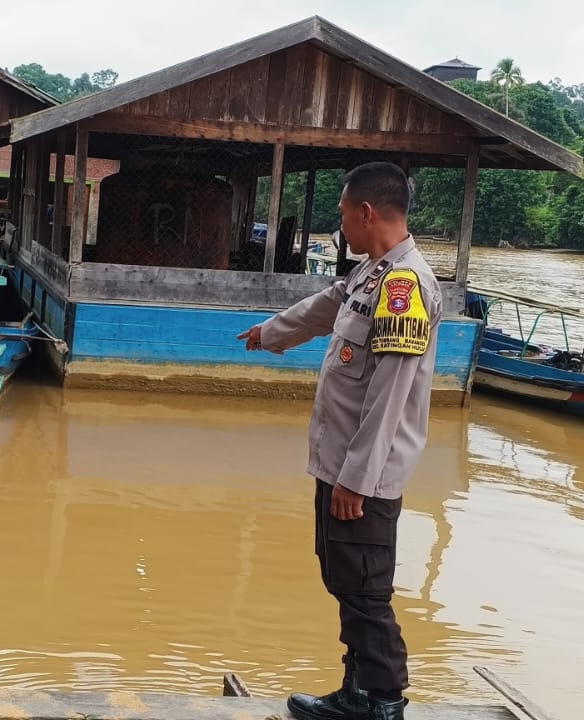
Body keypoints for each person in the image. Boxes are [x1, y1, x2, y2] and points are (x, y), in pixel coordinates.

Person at [236, 161, 440, 720]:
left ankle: (382, 700)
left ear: (366, 212)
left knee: (366, 588)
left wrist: (356, 480)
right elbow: (325, 307)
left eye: (344, 213)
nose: (341, 224)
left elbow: (390, 396)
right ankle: (358, 689)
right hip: (340, 464)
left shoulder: (404, 286)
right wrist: (270, 333)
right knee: (344, 576)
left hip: (363, 476)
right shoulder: (370, 273)